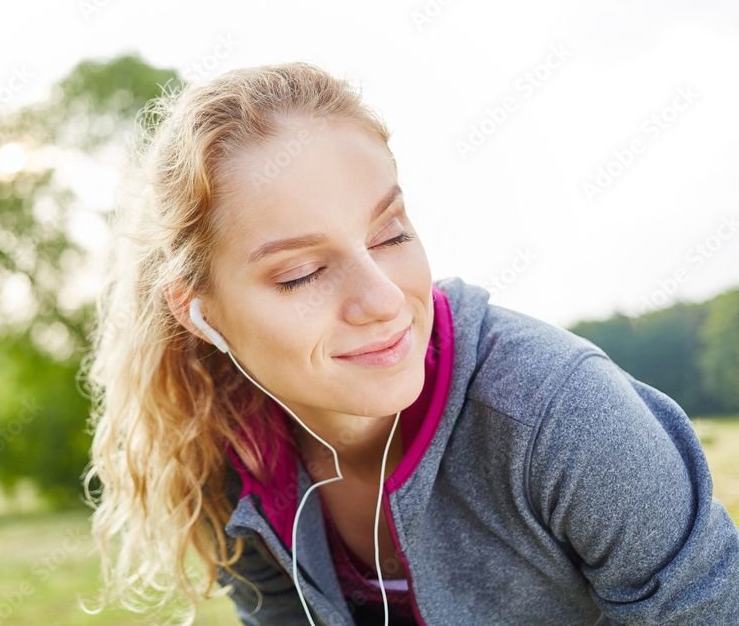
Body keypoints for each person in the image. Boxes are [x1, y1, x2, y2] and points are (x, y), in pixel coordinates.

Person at [84, 61, 739, 625]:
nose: (383, 299)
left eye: (391, 233)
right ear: (199, 313)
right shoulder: (231, 455)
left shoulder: (563, 417)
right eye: (301, 273)